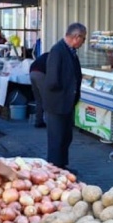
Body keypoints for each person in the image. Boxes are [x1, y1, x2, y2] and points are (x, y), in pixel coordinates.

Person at [43, 23, 86, 173]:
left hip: (67, 103)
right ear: (76, 37)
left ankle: (62, 166)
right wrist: (66, 91)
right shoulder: (58, 50)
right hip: (57, 103)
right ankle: (54, 169)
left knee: (66, 137)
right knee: (56, 139)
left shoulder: (71, 51)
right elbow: (52, 80)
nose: (83, 42)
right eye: (83, 38)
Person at [29, 52, 49, 128]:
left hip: (32, 73)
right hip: (40, 74)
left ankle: (38, 121)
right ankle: (50, 122)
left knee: (38, 99)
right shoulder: (54, 57)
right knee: (47, 99)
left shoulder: (45, 55)